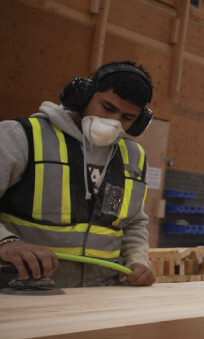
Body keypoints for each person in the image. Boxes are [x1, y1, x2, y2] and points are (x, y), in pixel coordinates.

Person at [0, 61, 157, 287]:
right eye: (108, 108)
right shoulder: (22, 137)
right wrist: (7, 243)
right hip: (22, 290)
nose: (113, 122)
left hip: (98, 297)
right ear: (83, 96)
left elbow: (132, 224)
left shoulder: (133, 157)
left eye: (126, 117)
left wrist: (138, 259)